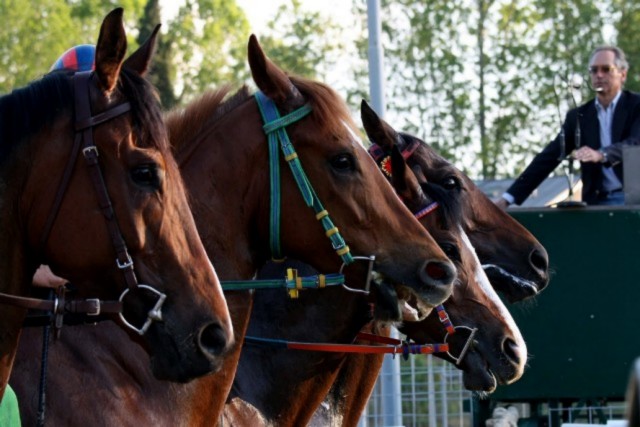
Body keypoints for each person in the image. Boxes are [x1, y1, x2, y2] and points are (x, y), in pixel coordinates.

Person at [496, 45, 640, 208]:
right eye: (594, 70)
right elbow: (548, 158)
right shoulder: (579, 116)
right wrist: (508, 198)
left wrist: (601, 154)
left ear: (623, 74)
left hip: (633, 203)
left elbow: (635, 143)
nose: (599, 75)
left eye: (606, 69)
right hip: (595, 205)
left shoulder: (636, 106)